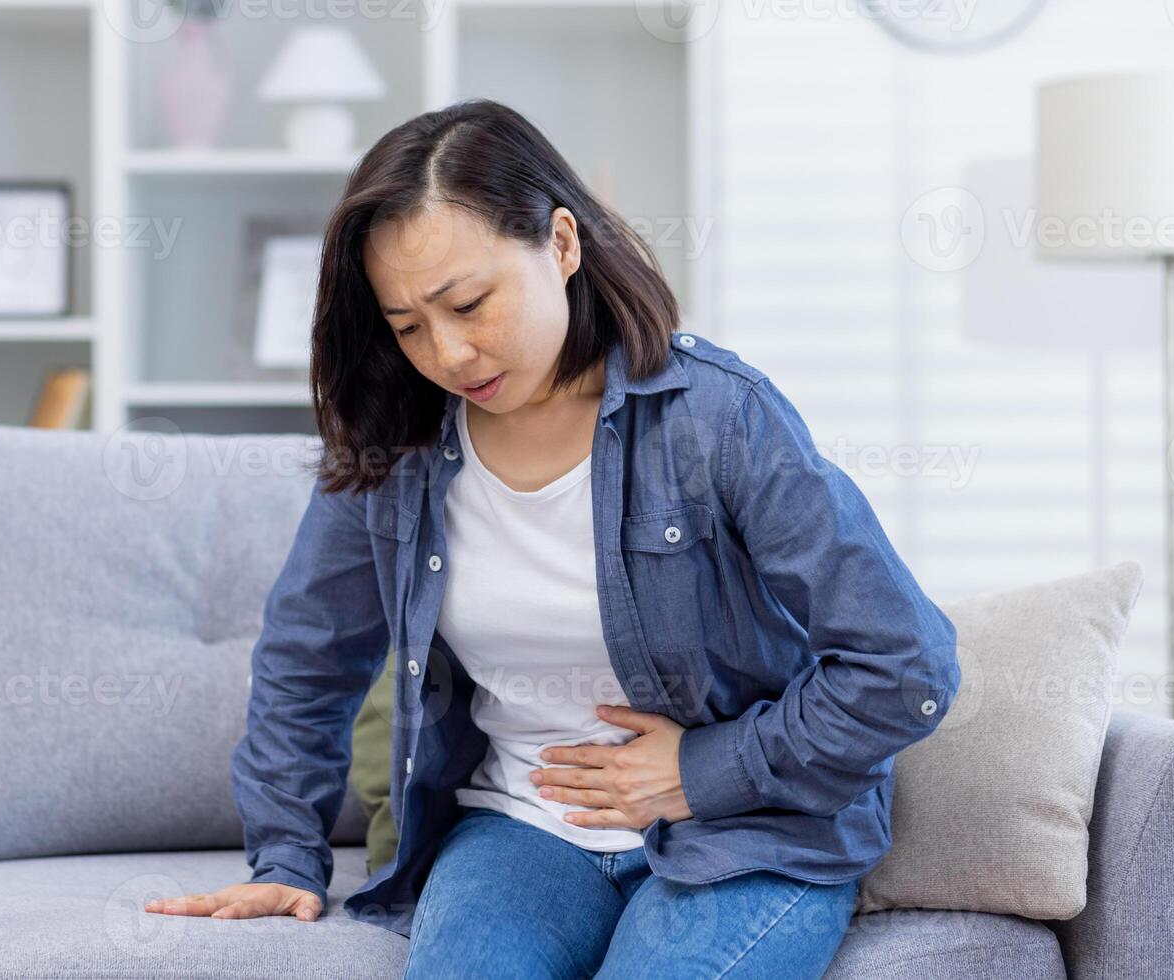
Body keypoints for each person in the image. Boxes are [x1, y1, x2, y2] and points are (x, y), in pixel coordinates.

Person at [143, 98, 961, 978]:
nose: (449, 354)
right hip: (519, 832)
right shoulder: (400, 449)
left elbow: (907, 669)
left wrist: (704, 770)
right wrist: (286, 858)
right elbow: (308, 658)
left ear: (562, 245)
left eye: (470, 303)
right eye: (408, 326)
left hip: (747, 834)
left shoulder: (721, 420)